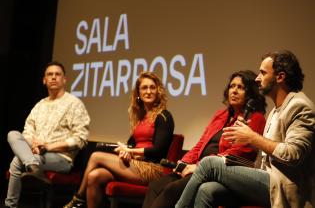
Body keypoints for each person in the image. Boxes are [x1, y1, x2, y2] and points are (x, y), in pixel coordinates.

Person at [175, 50, 315, 208]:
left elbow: (293, 154)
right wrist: (248, 139)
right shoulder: (276, 110)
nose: (257, 78)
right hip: (267, 179)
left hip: (285, 188)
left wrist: (252, 137)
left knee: (209, 164)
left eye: (262, 73)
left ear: (280, 77)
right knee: (208, 190)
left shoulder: (300, 106)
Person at [142, 70, 267, 208]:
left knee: (172, 190)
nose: (234, 91)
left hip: (217, 172)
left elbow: (238, 153)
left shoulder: (256, 118)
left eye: (241, 87)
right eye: (232, 86)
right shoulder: (221, 114)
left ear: (250, 94)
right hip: (195, 167)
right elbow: (200, 144)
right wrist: (184, 162)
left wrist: (198, 167)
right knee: (155, 186)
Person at [64, 71, 175, 208]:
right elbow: (131, 144)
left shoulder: (164, 116)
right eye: (144, 88)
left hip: (153, 169)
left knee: (96, 156)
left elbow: (158, 150)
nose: (149, 91)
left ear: (158, 91)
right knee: (95, 176)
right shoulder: (141, 117)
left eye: (152, 87)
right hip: (135, 165)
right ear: (138, 93)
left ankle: (78, 199)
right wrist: (126, 151)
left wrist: (132, 151)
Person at [5, 61, 90, 208]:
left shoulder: (74, 104)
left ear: (64, 80)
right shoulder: (40, 105)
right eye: (50, 74)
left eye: (58, 74)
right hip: (35, 153)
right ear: (44, 80)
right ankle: (32, 164)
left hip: (62, 158)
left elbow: (80, 139)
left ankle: (10, 205)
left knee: (16, 161)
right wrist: (34, 145)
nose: (53, 77)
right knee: (12, 134)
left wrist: (47, 147)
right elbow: (28, 131)